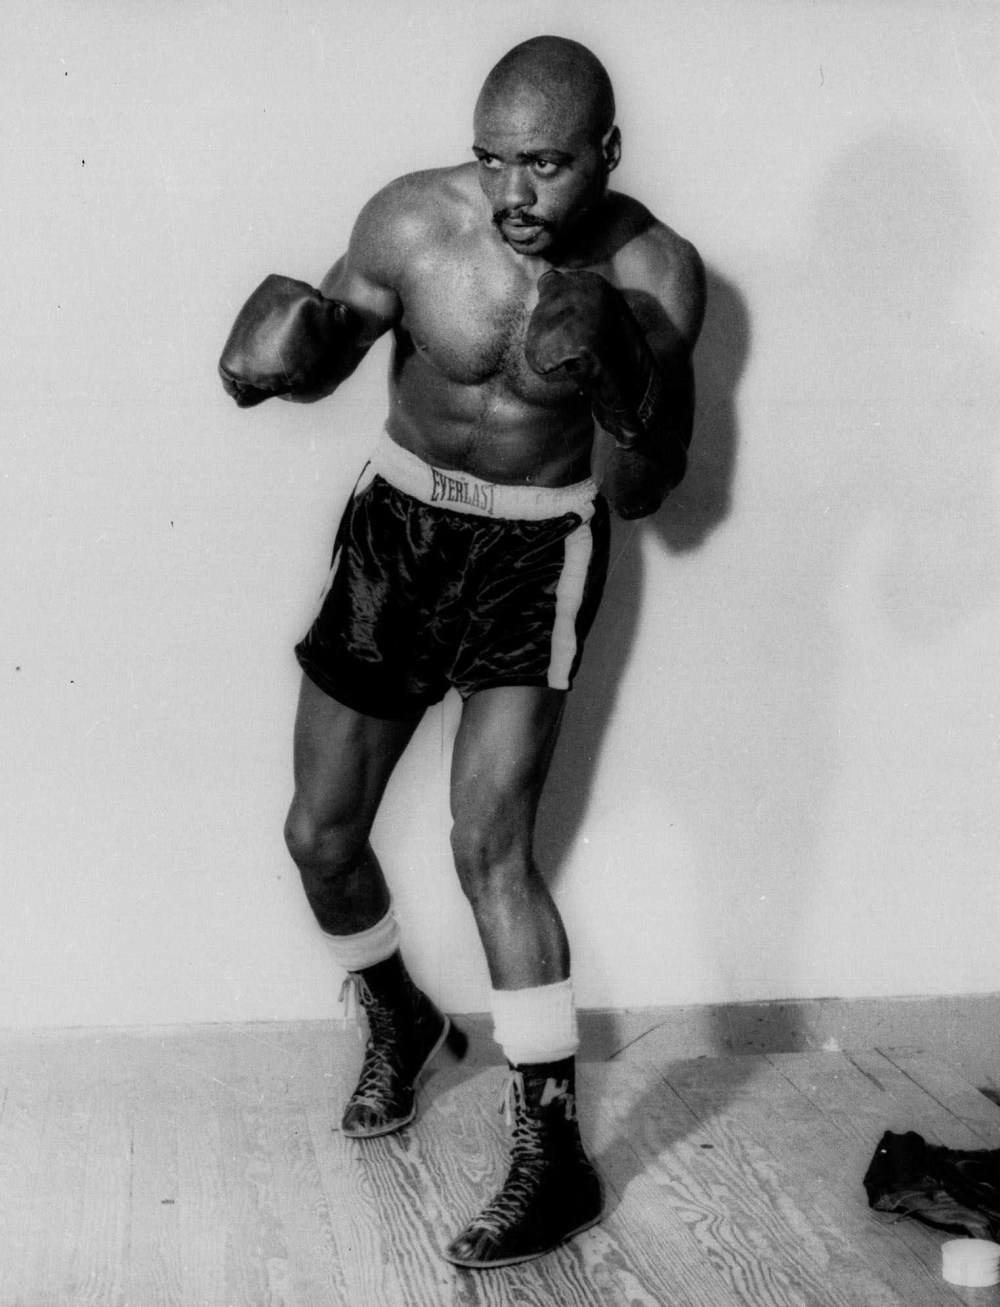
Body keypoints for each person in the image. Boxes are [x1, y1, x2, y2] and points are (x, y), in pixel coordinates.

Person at [219, 34, 705, 1269]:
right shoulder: (414, 221)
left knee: (489, 847)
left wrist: (624, 375)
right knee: (317, 836)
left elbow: (645, 491)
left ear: (605, 152)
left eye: (543, 164)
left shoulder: (652, 268)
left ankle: (554, 1156)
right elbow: (327, 349)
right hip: (396, 530)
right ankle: (400, 1014)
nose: (511, 195)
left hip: (537, 553)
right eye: (492, 158)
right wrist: (293, 356)